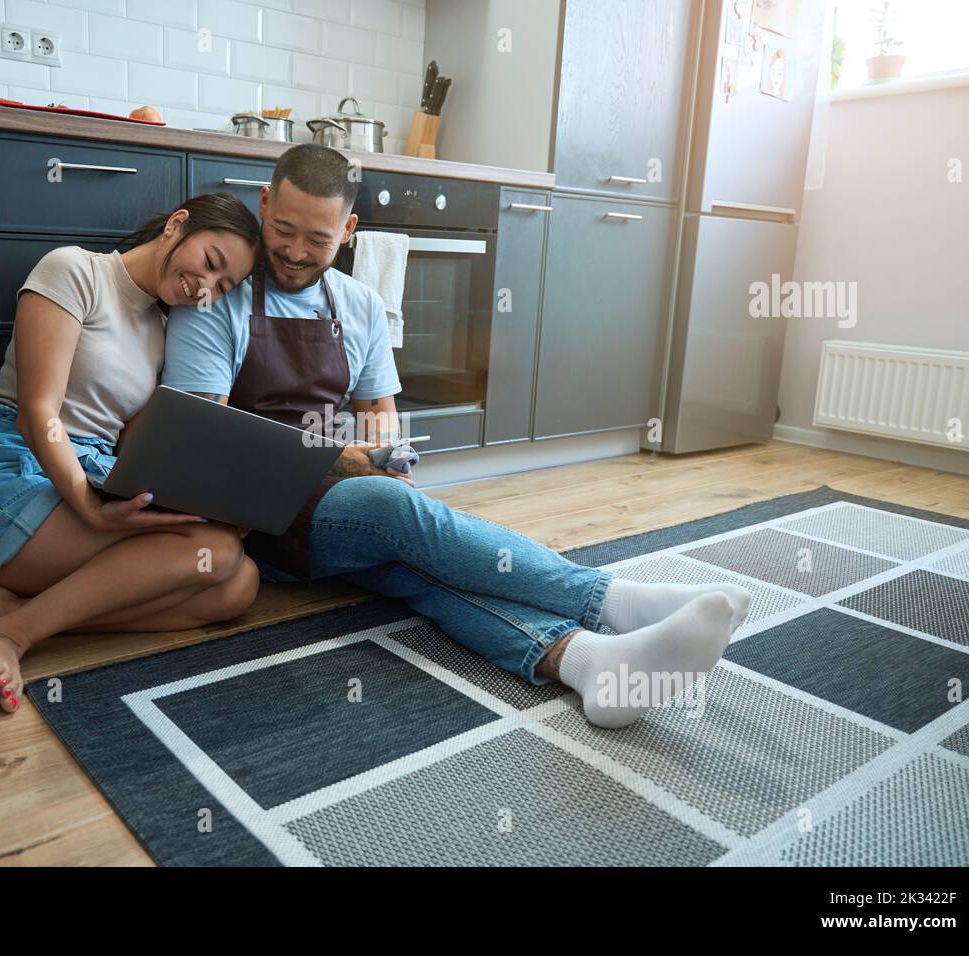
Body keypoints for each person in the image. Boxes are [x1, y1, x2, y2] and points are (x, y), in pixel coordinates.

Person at [162, 146, 752, 729]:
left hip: (336, 493)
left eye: (317, 240)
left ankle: (588, 662)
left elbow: (377, 409)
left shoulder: (359, 304)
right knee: (398, 515)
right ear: (264, 204)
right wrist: (341, 458)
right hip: (255, 511)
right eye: (284, 230)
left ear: (348, 231)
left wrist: (386, 454)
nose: (295, 252)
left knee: (420, 570)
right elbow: (210, 443)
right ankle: (615, 600)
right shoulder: (217, 295)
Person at [0, 194, 260, 714]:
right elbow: (37, 414)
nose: (205, 288)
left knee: (239, 586)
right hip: (16, 468)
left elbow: (134, 445)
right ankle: (10, 635)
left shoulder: (162, 331)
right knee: (219, 556)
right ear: (177, 224)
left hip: (96, 475)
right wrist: (87, 504)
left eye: (223, 286)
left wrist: (215, 495)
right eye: (210, 263)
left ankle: (13, 608)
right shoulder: (73, 271)